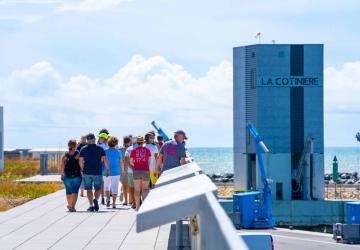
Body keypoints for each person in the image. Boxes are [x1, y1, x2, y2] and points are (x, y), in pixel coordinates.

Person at [79, 133, 109, 212]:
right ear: (94, 140)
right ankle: (95, 199)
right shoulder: (100, 149)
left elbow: (81, 160)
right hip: (97, 171)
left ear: (87, 140)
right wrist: (107, 169)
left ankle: (91, 205)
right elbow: (105, 160)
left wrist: (82, 169)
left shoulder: (83, 149)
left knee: (88, 189)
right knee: (98, 188)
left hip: (87, 171)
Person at [130, 136, 151, 210]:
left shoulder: (133, 150)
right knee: (145, 189)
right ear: (143, 142)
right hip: (145, 170)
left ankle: (137, 207)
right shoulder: (147, 150)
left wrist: (136, 165)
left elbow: (131, 162)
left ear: (137, 142)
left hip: (136, 170)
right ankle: (144, 207)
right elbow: (149, 162)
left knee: (137, 190)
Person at [61, 140, 82, 212]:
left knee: (68, 191)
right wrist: (82, 170)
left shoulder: (66, 154)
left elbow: (62, 164)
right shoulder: (77, 153)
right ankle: (73, 207)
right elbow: (80, 163)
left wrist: (62, 173)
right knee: (75, 191)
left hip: (67, 175)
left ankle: (70, 205)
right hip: (77, 175)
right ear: (75, 145)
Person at [104, 136, 125, 208]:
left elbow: (102, 161)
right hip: (116, 171)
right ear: (116, 144)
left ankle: (107, 199)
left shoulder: (105, 151)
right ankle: (113, 203)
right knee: (115, 187)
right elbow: (121, 162)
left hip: (106, 171)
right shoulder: (118, 152)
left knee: (106, 187)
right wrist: (122, 170)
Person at [97, 131, 110, 205]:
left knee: (104, 182)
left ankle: (103, 197)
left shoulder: (107, 146)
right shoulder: (97, 145)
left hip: (104, 165)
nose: (99, 138)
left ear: (104, 139)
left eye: (100, 137)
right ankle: (102, 198)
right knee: (101, 182)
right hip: (99, 165)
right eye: (99, 137)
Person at [125, 137, 137, 208]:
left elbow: (126, 159)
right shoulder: (142, 148)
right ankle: (138, 201)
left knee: (132, 187)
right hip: (140, 170)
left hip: (131, 171)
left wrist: (131, 167)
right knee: (138, 187)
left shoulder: (129, 149)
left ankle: (134, 202)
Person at [120, 136, 132, 205]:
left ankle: (126, 201)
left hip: (123, 169)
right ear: (130, 142)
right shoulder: (132, 149)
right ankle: (130, 200)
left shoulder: (120, 150)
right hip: (131, 169)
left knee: (124, 185)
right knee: (131, 186)